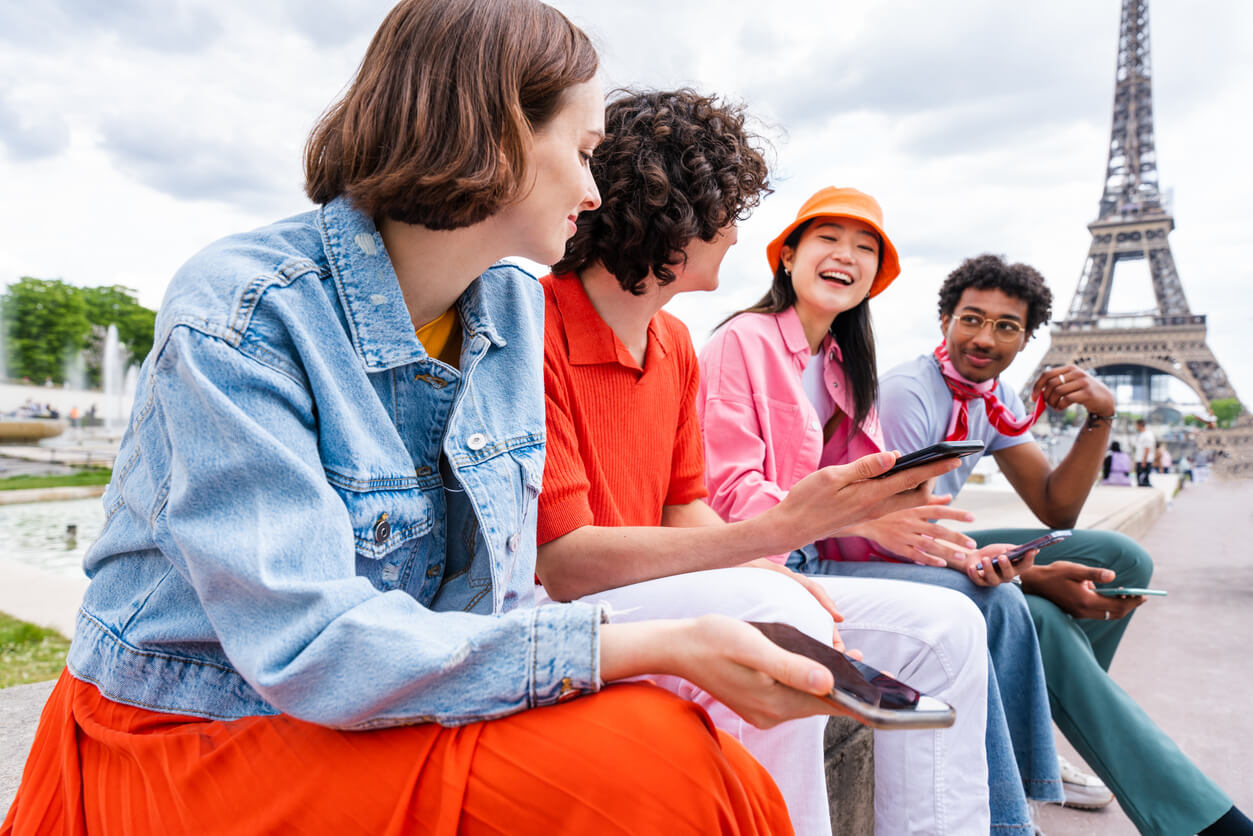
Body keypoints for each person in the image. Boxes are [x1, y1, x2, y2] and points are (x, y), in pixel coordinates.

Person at [0, 4, 810, 833]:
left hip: (370, 705)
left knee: (671, 746)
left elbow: (481, 604)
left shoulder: (507, 311)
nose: (594, 191)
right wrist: (652, 643)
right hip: (195, 730)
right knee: (652, 765)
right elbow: (308, 645)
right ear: (497, 134)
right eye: (582, 152)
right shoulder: (243, 313)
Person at [537, 91, 992, 836]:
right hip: (573, 607)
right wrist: (773, 541)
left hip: (664, 583)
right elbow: (561, 565)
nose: (740, 232)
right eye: (729, 210)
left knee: (948, 626)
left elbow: (689, 504)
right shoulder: (539, 327)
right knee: (781, 616)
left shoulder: (677, 345)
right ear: (677, 216)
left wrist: (768, 560)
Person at [697, 188, 1061, 834]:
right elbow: (729, 497)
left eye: (864, 249)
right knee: (958, 619)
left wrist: (952, 550)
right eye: (827, 240)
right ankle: (1014, 816)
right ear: (786, 257)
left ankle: (1014, 809)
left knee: (987, 597)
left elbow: (874, 509)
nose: (846, 256)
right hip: (764, 570)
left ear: (875, 279)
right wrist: (855, 519)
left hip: (818, 564)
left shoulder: (843, 366)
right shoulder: (742, 342)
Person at [876, 253, 1252, 836]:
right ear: (945, 320)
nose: (985, 337)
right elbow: (901, 533)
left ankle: (1048, 723)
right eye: (972, 319)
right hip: (882, 550)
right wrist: (1027, 578)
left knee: (1123, 559)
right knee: (1040, 615)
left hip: (933, 536)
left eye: (1006, 326)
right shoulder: (909, 393)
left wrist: (1100, 416)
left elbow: (1057, 508)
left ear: (1026, 341)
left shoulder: (993, 398)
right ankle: (1197, 821)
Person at [1134, 418, 1156, 486]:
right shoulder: (1141, 434)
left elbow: (1147, 448)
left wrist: (1144, 461)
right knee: (1140, 480)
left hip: (1144, 460)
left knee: (1143, 480)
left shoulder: (1147, 435)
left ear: (1139, 425)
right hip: (1140, 459)